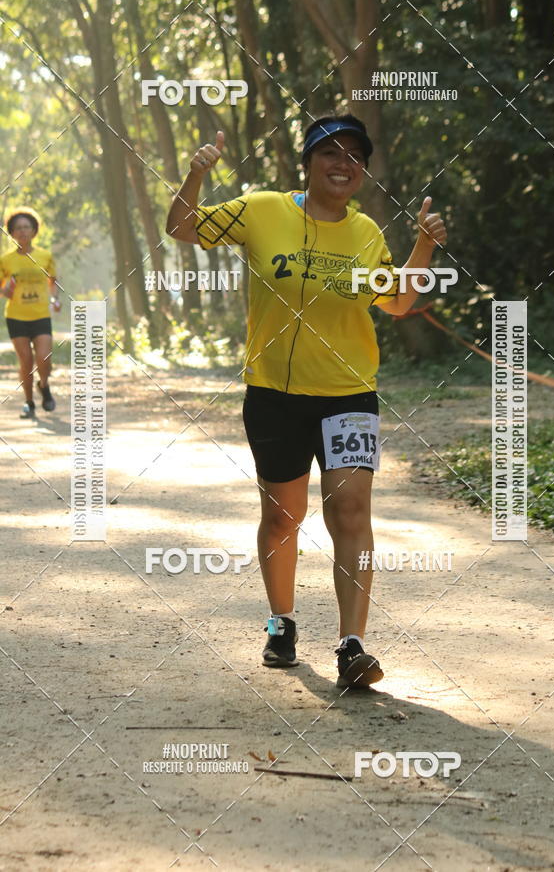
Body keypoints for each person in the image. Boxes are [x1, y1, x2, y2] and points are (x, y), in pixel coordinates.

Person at [166, 114, 447, 688]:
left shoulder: (366, 232)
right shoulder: (263, 209)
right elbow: (182, 227)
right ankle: (281, 622)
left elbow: (395, 303)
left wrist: (423, 246)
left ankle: (352, 645)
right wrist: (196, 175)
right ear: (309, 161)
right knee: (282, 517)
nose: (344, 165)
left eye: (356, 157)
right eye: (332, 153)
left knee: (350, 512)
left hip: (349, 396)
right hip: (273, 396)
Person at [0, 208, 60, 419]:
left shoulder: (45, 256)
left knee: (44, 359)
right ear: (12, 233)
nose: (23, 231)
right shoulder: (6, 260)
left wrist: (55, 299)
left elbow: (53, 283)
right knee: (25, 361)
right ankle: (28, 402)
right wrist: (6, 291)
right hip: (16, 316)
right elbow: (2, 288)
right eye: (18, 228)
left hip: (41, 314)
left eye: (26, 227)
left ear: (34, 230)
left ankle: (43, 385)